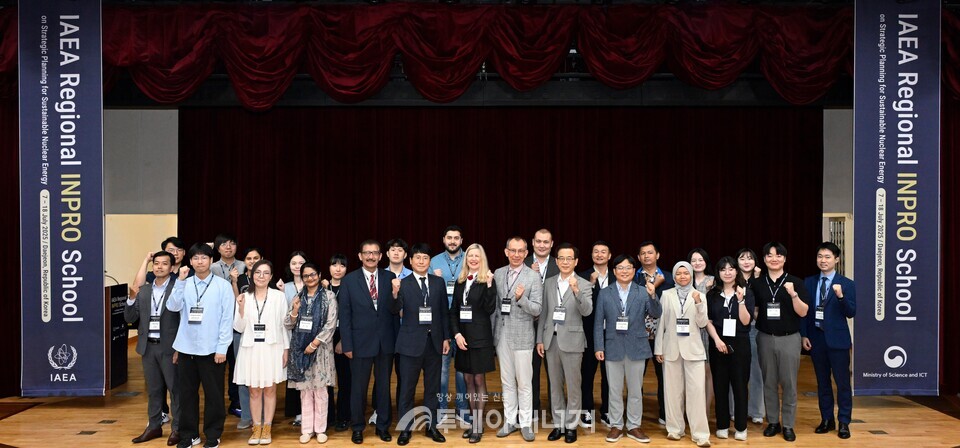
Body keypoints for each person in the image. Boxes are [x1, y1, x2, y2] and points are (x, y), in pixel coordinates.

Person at [166, 243, 235, 448]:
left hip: (212, 350)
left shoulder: (222, 286)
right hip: (187, 348)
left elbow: (226, 318)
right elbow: (172, 306)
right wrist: (179, 281)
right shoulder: (184, 283)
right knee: (187, 395)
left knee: (214, 395)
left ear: (211, 260)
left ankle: (213, 434)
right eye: (195, 258)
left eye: (204, 258)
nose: (200, 261)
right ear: (190, 261)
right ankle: (189, 435)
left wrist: (222, 348)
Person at [339, 240, 400, 444]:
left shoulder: (389, 277)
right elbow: (345, 315)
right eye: (367, 253)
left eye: (375, 253)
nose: (371, 256)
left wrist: (394, 294)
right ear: (360, 256)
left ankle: (383, 426)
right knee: (358, 388)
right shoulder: (349, 280)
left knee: (383, 387)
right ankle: (357, 427)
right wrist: (346, 344)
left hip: (385, 343)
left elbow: (394, 310)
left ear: (381, 256)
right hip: (359, 344)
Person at [594, 254, 660, 444]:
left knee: (635, 391)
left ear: (634, 270)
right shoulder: (605, 293)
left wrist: (653, 295)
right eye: (620, 268)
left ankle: (633, 426)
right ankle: (616, 425)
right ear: (614, 271)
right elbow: (598, 322)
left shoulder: (642, 291)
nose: (624, 271)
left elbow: (655, 313)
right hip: (612, 347)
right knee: (614, 390)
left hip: (637, 347)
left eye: (628, 268)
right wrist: (599, 346)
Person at [752, 242, 810, 442]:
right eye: (769, 255)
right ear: (765, 259)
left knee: (789, 384)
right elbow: (755, 311)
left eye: (778, 255)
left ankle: (788, 425)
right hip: (765, 338)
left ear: (784, 259)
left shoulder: (796, 282)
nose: (773, 259)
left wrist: (793, 293)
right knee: (768, 382)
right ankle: (773, 422)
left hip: (789, 339)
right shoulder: (757, 283)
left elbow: (803, 312)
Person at [393, 243, 450, 446]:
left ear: (429, 261)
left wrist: (445, 337)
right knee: (407, 388)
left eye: (425, 258)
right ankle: (405, 429)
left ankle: (432, 426)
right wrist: (394, 293)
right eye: (417, 258)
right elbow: (394, 310)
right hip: (410, 344)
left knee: (432, 388)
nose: (421, 261)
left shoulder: (438, 283)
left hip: (434, 343)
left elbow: (444, 311)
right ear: (411, 260)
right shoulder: (402, 283)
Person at [537, 243, 593, 444]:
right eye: (561, 258)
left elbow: (587, 311)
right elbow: (544, 314)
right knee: (555, 386)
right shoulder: (549, 283)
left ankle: (571, 425)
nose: (565, 262)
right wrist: (539, 340)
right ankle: (559, 424)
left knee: (574, 386)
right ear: (557, 260)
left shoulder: (584, 284)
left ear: (576, 261)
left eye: (569, 258)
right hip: (551, 341)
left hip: (573, 341)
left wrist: (577, 291)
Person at [801, 242, 856, 440]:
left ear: (836, 259)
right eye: (820, 257)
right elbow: (804, 312)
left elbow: (851, 312)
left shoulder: (847, 284)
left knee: (842, 384)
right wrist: (804, 334)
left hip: (838, 341)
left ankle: (844, 422)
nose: (823, 261)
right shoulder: (809, 282)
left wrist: (840, 296)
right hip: (816, 338)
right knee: (822, 383)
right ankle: (826, 420)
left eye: (827, 257)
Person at [127, 251, 182, 446]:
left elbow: (184, 321)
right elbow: (130, 318)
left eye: (164, 264)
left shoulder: (178, 288)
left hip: (170, 348)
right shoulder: (144, 291)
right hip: (148, 348)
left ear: (171, 267)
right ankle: (154, 426)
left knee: (176, 390)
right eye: (156, 263)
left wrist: (179, 348)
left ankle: (177, 429)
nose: (159, 267)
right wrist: (131, 299)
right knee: (154, 390)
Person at [233, 259, 290, 445]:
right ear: (251, 275)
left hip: (272, 348)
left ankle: (267, 428)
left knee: (270, 389)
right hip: (250, 349)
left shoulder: (278, 297)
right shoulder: (244, 297)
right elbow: (239, 328)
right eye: (258, 272)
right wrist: (240, 308)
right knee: (254, 391)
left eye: (266, 273)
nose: (261, 276)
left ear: (271, 276)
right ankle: (256, 427)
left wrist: (286, 349)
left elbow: (284, 326)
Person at [655, 262, 711, 447]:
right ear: (674, 276)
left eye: (685, 273)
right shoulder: (666, 294)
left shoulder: (700, 295)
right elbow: (661, 324)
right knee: (672, 392)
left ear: (691, 275)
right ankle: (674, 429)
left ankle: (700, 434)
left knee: (696, 393)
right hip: (671, 349)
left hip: (693, 350)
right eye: (678, 273)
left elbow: (702, 323)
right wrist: (658, 349)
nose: (682, 276)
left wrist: (698, 303)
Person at [493, 237, 543, 442]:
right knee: (507, 382)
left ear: (525, 253)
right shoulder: (497, 273)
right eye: (512, 250)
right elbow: (495, 305)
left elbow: (538, 309)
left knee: (524, 383)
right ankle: (510, 421)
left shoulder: (533, 276)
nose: (516, 254)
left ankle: (525, 423)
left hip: (522, 336)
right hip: (501, 334)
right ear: (506, 252)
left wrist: (522, 299)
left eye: (520, 251)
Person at [286, 262, 339, 444]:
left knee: (321, 391)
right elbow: (288, 324)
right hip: (301, 351)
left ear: (319, 274)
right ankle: (307, 430)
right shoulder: (298, 297)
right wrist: (294, 309)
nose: (310, 278)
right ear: (302, 278)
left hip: (321, 350)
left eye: (313, 274)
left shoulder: (329, 297)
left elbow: (331, 324)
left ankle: (321, 429)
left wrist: (314, 344)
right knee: (305, 392)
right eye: (306, 275)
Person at [450, 243, 498, 443]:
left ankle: (478, 426)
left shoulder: (487, 280)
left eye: (477, 256)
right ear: (466, 258)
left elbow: (489, 309)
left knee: (479, 381)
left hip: (481, 339)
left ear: (482, 258)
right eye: (470, 255)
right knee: (468, 381)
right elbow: (453, 311)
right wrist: (456, 335)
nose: (473, 259)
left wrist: (488, 286)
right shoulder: (461, 281)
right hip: (463, 338)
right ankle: (473, 422)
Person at [705, 257, 754, 441]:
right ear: (718, 273)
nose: (727, 272)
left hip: (740, 343)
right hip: (718, 343)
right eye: (723, 269)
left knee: (740, 386)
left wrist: (740, 301)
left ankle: (741, 427)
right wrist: (717, 340)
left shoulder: (746, 292)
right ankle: (722, 425)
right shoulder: (712, 295)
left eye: (731, 269)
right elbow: (707, 321)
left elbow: (746, 321)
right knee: (720, 385)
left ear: (736, 272)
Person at [429, 225, 470, 425]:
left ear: (461, 240)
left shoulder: (470, 259)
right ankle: (442, 409)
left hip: (465, 322)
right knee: (442, 371)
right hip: (441, 322)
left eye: (456, 238)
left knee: (462, 370)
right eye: (449, 237)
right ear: (443, 239)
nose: (452, 241)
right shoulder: (433, 261)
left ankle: (463, 409)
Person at [634, 241, 672, 426]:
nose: (647, 256)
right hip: (640, 334)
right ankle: (636, 414)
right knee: (636, 375)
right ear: (639, 257)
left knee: (664, 376)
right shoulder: (633, 277)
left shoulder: (670, 278)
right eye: (643, 253)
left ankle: (666, 413)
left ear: (657, 255)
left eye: (650, 252)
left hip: (663, 334)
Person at [524, 229, 559, 421]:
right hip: (529, 325)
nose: (542, 245)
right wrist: (531, 274)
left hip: (553, 326)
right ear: (532, 242)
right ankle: (533, 411)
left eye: (546, 242)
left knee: (554, 372)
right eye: (539, 241)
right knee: (531, 372)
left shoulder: (560, 263)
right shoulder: (523, 263)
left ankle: (556, 411)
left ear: (552, 243)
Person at [229, 247, 263, 427]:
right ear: (245, 261)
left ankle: (262, 415)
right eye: (249, 258)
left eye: (256, 257)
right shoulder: (240, 279)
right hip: (241, 330)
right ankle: (246, 416)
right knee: (243, 374)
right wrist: (234, 283)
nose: (252, 261)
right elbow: (237, 302)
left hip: (262, 333)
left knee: (262, 375)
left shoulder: (267, 278)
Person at [578, 241, 611, 428]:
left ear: (609, 255)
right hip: (589, 332)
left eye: (603, 252)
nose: (599, 255)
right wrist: (590, 284)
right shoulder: (582, 276)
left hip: (613, 333)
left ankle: (607, 410)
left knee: (609, 375)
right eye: (596, 252)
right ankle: (586, 410)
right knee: (587, 374)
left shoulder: (618, 276)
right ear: (591, 255)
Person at [735, 248, 765, 425]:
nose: (746, 262)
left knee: (756, 371)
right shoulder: (732, 278)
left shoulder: (761, 281)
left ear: (755, 261)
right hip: (735, 330)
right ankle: (734, 410)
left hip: (755, 328)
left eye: (750, 258)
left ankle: (756, 411)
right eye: (742, 258)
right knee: (735, 371)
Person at [323, 254, 352, 432]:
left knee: (344, 380)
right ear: (329, 268)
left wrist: (344, 340)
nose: (338, 268)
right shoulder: (321, 287)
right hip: (324, 338)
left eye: (342, 265)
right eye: (334, 265)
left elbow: (352, 317)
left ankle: (343, 416)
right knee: (326, 380)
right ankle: (327, 416)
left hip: (342, 336)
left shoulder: (350, 286)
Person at [280, 251, 309, 426]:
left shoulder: (314, 283)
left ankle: (310, 411)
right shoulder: (284, 286)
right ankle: (297, 412)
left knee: (309, 376)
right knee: (295, 376)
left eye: (301, 263)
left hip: (310, 337)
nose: (297, 266)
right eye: (294, 263)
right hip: (292, 336)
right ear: (289, 266)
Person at [688, 248, 715, 413]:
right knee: (691, 373)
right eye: (693, 260)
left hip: (708, 330)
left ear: (706, 262)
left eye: (700, 260)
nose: (697, 263)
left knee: (707, 372)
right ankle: (690, 410)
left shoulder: (714, 281)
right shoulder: (684, 280)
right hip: (688, 331)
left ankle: (704, 411)